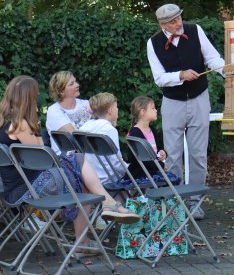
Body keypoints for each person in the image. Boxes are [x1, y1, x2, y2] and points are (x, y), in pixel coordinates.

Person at [0, 75, 140, 257]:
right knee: (80, 166)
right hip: (29, 187)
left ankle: (97, 220)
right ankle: (101, 214)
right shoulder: (21, 124)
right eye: (34, 97)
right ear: (28, 98)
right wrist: (36, 125)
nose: (36, 100)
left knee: (80, 172)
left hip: (16, 185)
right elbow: (41, 157)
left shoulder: (4, 122)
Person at [147, 3, 224, 219]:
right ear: (162, 25)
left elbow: (213, 59)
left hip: (200, 98)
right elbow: (159, 78)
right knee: (172, 156)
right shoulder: (153, 43)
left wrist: (231, 72)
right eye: (172, 21)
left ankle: (195, 203)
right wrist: (180, 75)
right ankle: (174, 204)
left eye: (179, 17)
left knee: (198, 155)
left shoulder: (195, 30)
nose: (178, 23)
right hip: (172, 102)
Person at [127, 96, 179, 185]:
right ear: (143, 112)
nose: (156, 110)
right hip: (140, 172)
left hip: (152, 169)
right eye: (153, 108)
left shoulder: (152, 130)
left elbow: (155, 149)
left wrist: (162, 152)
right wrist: (161, 166)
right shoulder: (135, 132)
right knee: (172, 180)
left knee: (173, 179)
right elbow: (137, 158)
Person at [79, 92, 129, 184]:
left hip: (89, 178)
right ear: (110, 110)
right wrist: (130, 170)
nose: (117, 109)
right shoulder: (109, 130)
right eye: (116, 107)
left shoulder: (84, 128)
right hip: (110, 178)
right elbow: (116, 163)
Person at [46, 71, 92, 154]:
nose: (77, 85)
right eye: (71, 84)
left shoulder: (86, 104)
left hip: (89, 152)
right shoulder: (54, 111)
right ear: (61, 91)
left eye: (75, 81)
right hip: (67, 159)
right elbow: (75, 135)